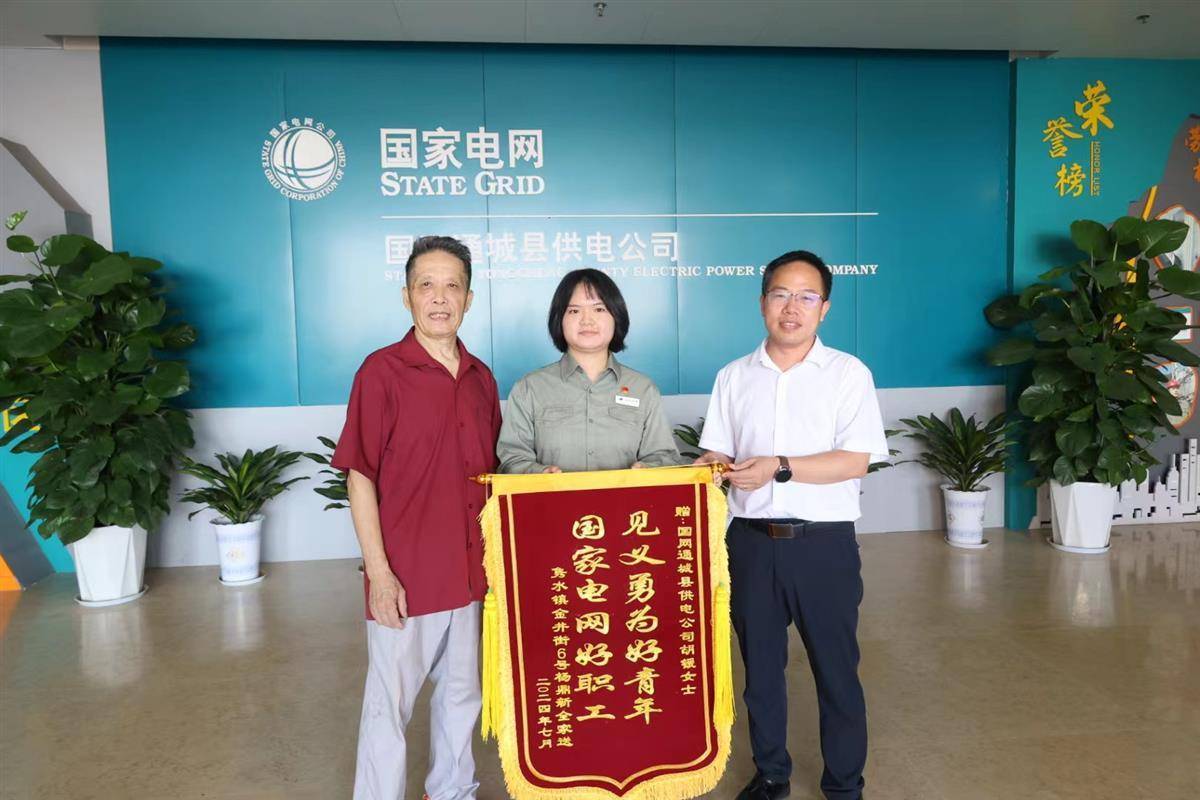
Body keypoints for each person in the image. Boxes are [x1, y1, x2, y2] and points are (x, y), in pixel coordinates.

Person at [694, 250, 888, 800]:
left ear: (824, 308)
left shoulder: (848, 374)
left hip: (822, 546)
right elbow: (719, 451)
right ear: (763, 303)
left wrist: (779, 466)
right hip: (750, 545)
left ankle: (844, 784)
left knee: (836, 671)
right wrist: (703, 466)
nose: (792, 307)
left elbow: (855, 460)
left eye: (806, 296)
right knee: (760, 672)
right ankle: (771, 774)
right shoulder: (734, 376)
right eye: (781, 294)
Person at [332, 236, 501, 800]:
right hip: (407, 573)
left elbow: (492, 476)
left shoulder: (480, 378)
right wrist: (379, 574)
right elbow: (359, 476)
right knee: (390, 705)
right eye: (426, 285)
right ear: (407, 296)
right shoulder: (381, 371)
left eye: (452, 286)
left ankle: (451, 791)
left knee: (462, 695)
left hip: (470, 573)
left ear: (469, 299)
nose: (439, 297)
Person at [496, 268, 680, 474]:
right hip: (551, 496)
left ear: (616, 316)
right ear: (559, 320)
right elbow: (512, 459)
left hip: (626, 497)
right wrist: (541, 474)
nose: (587, 320)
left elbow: (664, 457)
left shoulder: (643, 389)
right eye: (574, 311)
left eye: (599, 309)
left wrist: (647, 469)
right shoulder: (529, 388)